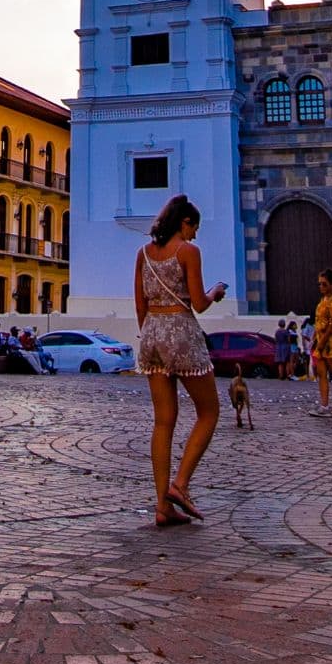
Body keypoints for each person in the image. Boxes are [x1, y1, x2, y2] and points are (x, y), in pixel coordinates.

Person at [123, 195, 226, 527]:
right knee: (209, 411)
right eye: (194, 227)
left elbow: (139, 305)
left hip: (151, 334)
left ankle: (161, 506)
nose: (195, 234)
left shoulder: (144, 254)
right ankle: (180, 485)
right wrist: (215, 294)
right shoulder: (188, 252)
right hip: (181, 332)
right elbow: (198, 302)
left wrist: (152, 334)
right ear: (184, 222)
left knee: (163, 421)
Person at [307, 270, 332, 416]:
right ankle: (324, 405)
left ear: (331, 284)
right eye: (320, 284)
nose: (321, 287)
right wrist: (315, 339)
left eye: (324, 284)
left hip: (330, 342)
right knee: (322, 373)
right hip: (320, 341)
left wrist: (322, 343)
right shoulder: (323, 300)